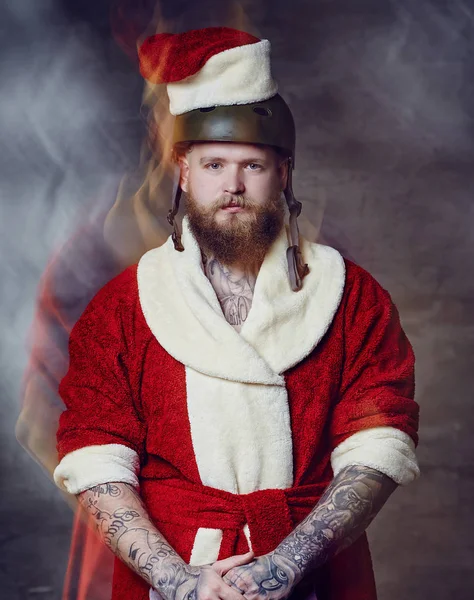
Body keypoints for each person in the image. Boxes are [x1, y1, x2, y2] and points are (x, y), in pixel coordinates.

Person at [52, 27, 420, 600]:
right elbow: (96, 457)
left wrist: (289, 563)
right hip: (170, 572)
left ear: (283, 174)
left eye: (252, 165)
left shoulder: (351, 297)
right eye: (214, 164)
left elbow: (379, 443)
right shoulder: (123, 307)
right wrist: (178, 580)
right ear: (184, 174)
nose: (232, 186)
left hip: (313, 570)